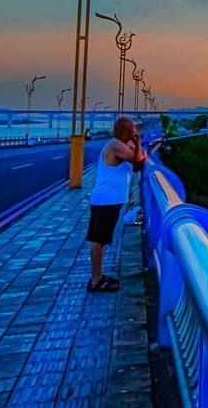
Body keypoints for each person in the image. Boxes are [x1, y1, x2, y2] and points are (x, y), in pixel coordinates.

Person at [86, 116, 145, 292]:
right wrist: (140, 145)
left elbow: (136, 166)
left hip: (111, 201)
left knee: (102, 240)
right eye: (133, 129)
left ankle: (99, 276)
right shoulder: (115, 145)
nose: (135, 131)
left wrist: (137, 148)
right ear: (125, 131)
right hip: (105, 200)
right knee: (98, 240)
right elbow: (138, 160)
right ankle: (95, 281)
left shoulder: (123, 146)